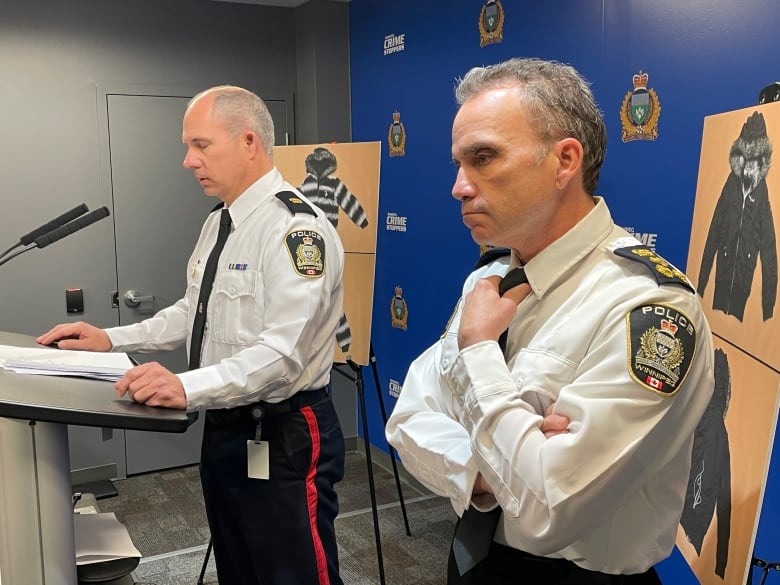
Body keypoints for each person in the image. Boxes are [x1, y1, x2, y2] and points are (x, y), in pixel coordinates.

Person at [385, 57, 715, 584]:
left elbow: (552, 507)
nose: (459, 187)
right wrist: (494, 469)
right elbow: (408, 421)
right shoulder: (490, 280)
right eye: (458, 163)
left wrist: (477, 354)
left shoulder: (648, 308)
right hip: (471, 557)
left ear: (564, 161)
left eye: (484, 158)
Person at [38, 85, 346, 585]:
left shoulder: (296, 232)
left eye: (201, 145)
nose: (188, 161)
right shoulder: (219, 223)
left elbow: (283, 356)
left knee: (290, 571)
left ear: (249, 142)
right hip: (226, 426)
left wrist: (185, 386)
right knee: (239, 561)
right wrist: (110, 339)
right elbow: (193, 312)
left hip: (284, 432)